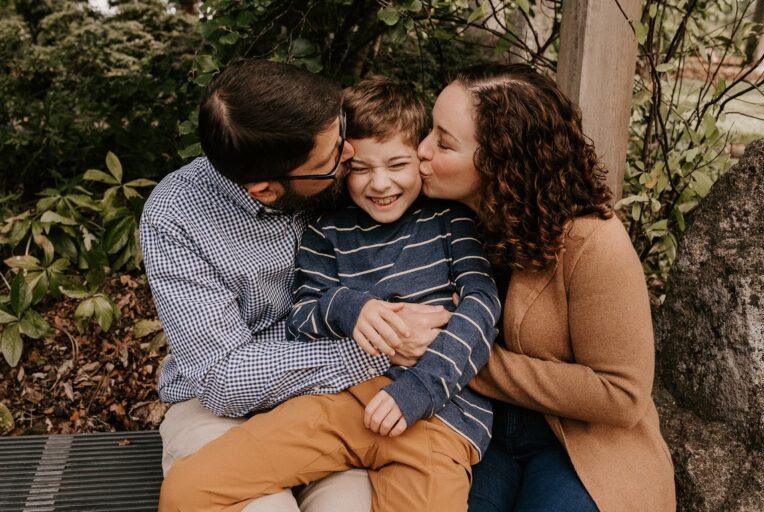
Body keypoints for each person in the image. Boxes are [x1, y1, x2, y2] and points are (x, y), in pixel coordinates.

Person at [158, 76, 500, 512]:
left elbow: (481, 306)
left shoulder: (448, 219)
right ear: (266, 189)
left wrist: (420, 386)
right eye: (349, 165)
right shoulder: (184, 217)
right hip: (326, 400)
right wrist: (360, 318)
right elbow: (290, 326)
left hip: (436, 414)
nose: (374, 180)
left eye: (396, 164)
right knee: (201, 491)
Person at [416, 63, 676, 511]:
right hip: (474, 430)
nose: (421, 150)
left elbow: (621, 394)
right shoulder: (436, 220)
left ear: (500, 162)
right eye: (429, 132)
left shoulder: (592, 242)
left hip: (578, 443)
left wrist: (461, 355)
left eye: (443, 142)